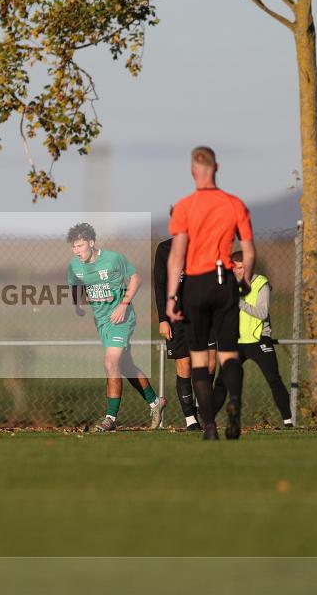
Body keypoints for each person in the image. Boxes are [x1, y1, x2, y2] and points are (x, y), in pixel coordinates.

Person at [166, 146, 255, 440]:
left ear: (193, 171)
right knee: (229, 353)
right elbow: (250, 252)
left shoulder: (184, 206)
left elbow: (176, 256)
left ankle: (209, 427)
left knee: (199, 359)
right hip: (224, 279)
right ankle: (235, 404)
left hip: (195, 284)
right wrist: (246, 281)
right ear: (216, 167)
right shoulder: (234, 204)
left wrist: (171, 298)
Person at [67, 223, 166, 431]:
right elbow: (75, 285)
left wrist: (123, 305)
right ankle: (155, 403)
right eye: (73, 247)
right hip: (102, 322)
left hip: (122, 319)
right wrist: (77, 306)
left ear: (91, 243)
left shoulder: (113, 259)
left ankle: (110, 419)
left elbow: (136, 278)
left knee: (110, 363)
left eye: (80, 246)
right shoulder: (75, 266)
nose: (77, 251)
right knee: (126, 366)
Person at [154, 218, 217, 431]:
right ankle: (190, 419)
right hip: (177, 317)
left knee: (209, 363)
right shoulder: (164, 249)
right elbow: (160, 286)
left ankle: (201, 404)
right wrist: (163, 319)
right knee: (185, 365)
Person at [229, 251, 294, 426]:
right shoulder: (228, 284)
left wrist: (239, 302)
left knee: (274, 379)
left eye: (240, 267)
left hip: (259, 340)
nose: (237, 271)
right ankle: (211, 422)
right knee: (224, 382)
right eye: (234, 268)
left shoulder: (261, 284)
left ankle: (288, 421)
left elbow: (262, 312)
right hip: (236, 341)